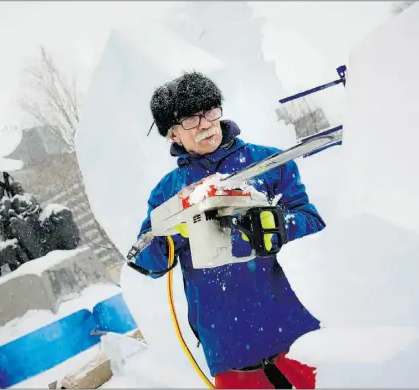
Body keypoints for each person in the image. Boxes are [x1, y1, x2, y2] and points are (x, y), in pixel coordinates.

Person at [133, 71, 326, 389]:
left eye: (210, 110)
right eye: (191, 119)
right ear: (173, 134)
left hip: (294, 329)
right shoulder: (167, 193)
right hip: (229, 350)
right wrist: (180, 225)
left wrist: (277, 226)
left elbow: (313, 223)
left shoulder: (268, 163)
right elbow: (147, 261)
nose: (206, 123)